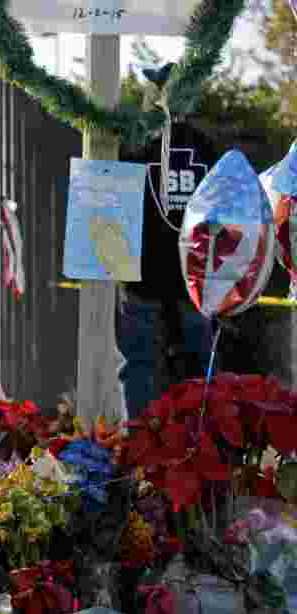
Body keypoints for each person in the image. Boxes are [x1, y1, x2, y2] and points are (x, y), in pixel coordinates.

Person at [117, 64, 216, 420]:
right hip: (190, 278)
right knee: (198, 365)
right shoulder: (204, 146)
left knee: (141, 364)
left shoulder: (136, 145)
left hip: (145, 274)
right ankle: (202, 438)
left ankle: (142, 442)